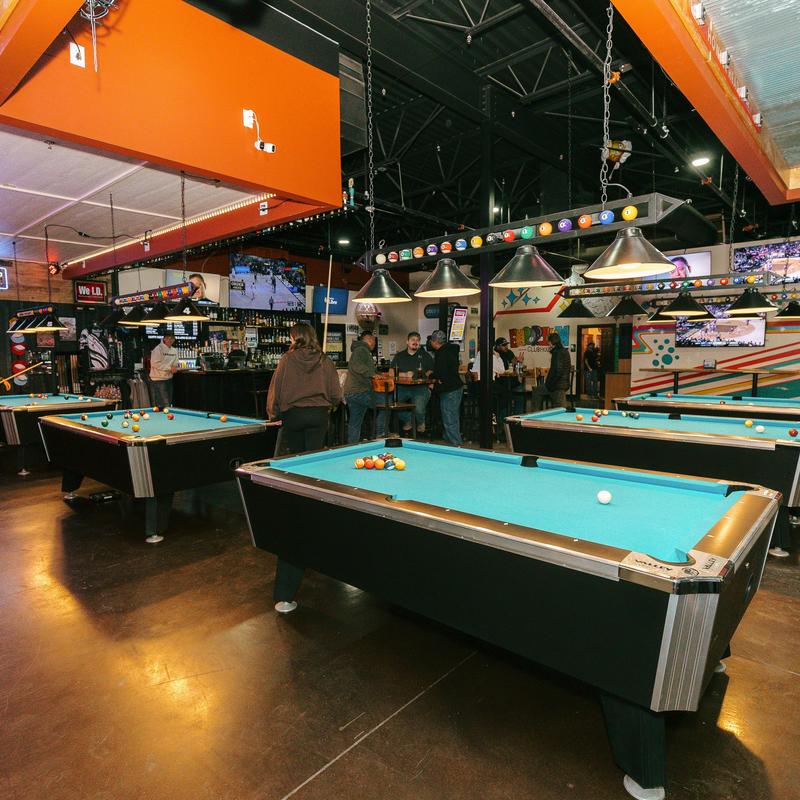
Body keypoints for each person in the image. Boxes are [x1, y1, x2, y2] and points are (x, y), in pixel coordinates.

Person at [267, 322, 341, 454]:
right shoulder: (325, 360)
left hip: (293, 415)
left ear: (295, 338)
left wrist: (274, 415)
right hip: (319, 414)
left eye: (291, 337)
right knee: (313, 458)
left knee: (297, 457)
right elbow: (336, 394)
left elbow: (276, 390)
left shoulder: (287, 359)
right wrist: (331, 406)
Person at [389, 331, 434, 435]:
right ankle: (409, 419)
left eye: (418, 340)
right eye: (413, 340)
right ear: (407, 342)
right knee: (391, 404)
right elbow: (391, 372)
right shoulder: (399, 356)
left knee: (419, 409)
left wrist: (429, 379)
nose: (415, 342)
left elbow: (432, 370)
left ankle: (420, 422)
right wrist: (404, 374)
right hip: (402, 387)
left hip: (420, 387)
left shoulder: (425, 355)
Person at [343, 331, 385, 443]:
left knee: (355, 422)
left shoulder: (359, 350)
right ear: (369, 339)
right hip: (360, 391)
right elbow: (357, 366)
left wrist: (378, 374)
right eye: (374, 340)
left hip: (351, 393)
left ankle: (352, 446)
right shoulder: (362, 350)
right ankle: (381, 433)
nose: (374, 343)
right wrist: (373, 374)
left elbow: (361, 367)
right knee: (386, 403)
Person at [430, 330, 463, 446]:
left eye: (431, 340)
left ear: (435, 342)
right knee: (452, 417)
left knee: (449, 418)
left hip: (449, 389)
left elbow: (441, 373)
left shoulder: (441, 353)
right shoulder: (452, 350)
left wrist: (432, 376)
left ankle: (456, 444)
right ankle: (450, 442)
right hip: (456, 387)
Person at [533, 332, 572, 410]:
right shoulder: (564, 351)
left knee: (537, 391)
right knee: (559, 408)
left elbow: (558, 371)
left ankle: (536, 412)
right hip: (562, 384)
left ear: (551, 342)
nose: (548, 344)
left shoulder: (557, 352)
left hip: (557, 386)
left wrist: (549, 384)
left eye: (549, 342)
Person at [149, 333, 178, 407]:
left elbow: (175, 363)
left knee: (168, 403)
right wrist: (170, 368)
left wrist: (174, 367)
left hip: (169, 379)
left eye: (172, 338)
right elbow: (154, 364)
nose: (170, 340)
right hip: (158, 380)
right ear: (164, 339)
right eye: (168, 338)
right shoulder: (158, 349)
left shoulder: (174, 350)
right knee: (162, 404)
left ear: (174, 340)